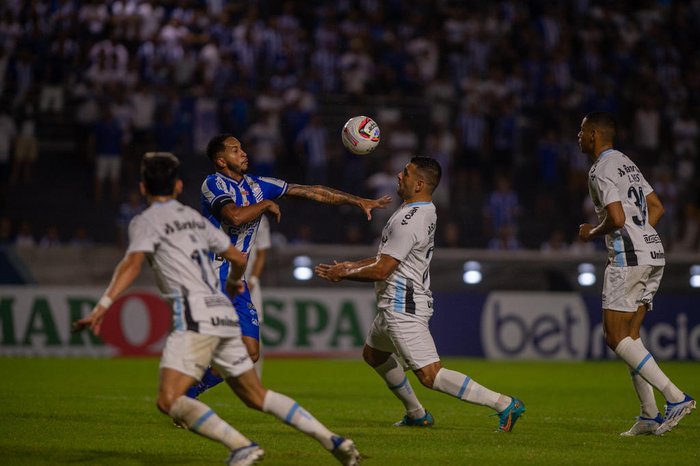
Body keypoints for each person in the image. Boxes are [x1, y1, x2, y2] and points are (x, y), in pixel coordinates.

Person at [72, 152, 361, 466]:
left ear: (143, 188)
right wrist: (238, 283)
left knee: (169, 399)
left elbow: (131, 264)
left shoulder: (145, 221)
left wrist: (102, 305)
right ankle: (332, 440)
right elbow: (238, 258)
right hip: (223, 310)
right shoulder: (194, 219)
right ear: (179, 186)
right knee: (257, 395)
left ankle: (241, 446)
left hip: (195, 314)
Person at [315, 156, 525, 432]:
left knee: (430, 375)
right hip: (396, 301)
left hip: (403, 304)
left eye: (406, 173)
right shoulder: (421, 210)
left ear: (420, 183)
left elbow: (382, 270)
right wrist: (353, 264)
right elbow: (385, 258)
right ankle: (416, 413)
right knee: (373, 355)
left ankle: (504, 403)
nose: (399, 176)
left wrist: (343, 274)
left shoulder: (409, 220)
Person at [188, 133, 391, 398]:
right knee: (211, 343)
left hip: (236, 281)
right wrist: (267, 204)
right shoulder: (213, 184)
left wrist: (356, 200)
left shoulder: (259, 185)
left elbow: (311, 191)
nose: (244, 153)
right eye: (235, 150)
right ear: (221, 160)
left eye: (242, 148)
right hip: (209, 276)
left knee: (250, 352)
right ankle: (184, 390)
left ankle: (191, 390)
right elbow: (233, 217)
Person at [576, 112, 695, 436]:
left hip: (630, 258)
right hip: (653, 252)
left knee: (614, 337)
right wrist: (639, 237)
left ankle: (675, 397)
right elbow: (657, 207)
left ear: (595, 135)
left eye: (582, 131)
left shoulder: (600, 169)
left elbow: (615, 217)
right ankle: (649, 414)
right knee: (631, 338)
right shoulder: (626, 163)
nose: (579, 136)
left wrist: (590, 233)